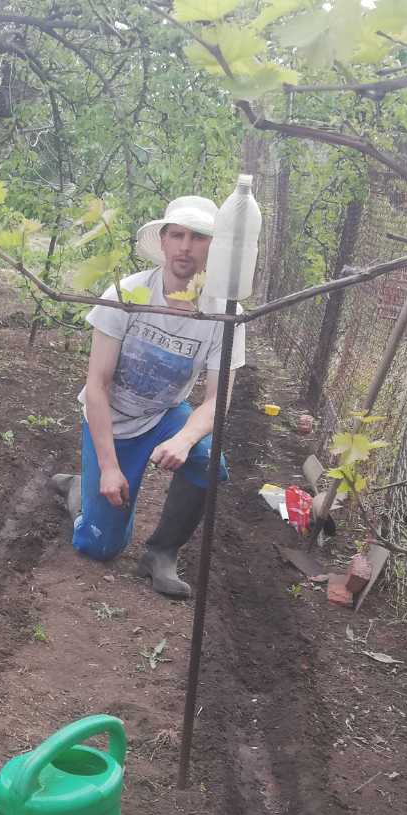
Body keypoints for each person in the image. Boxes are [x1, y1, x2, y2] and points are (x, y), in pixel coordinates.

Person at [50, 195, 245, 598]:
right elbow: (98, 386)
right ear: (163, 241)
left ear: (214, 247)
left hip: (162, 416)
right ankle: (80, 489)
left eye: (198, 237)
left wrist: (184, 439)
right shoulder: (128, 294)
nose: (186, 247)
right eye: (177, 235)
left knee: (209, 461)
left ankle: (161, 553)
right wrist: (107, 467)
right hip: (112, 420)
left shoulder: (223, 313)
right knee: (99, 547)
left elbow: (216, 400)